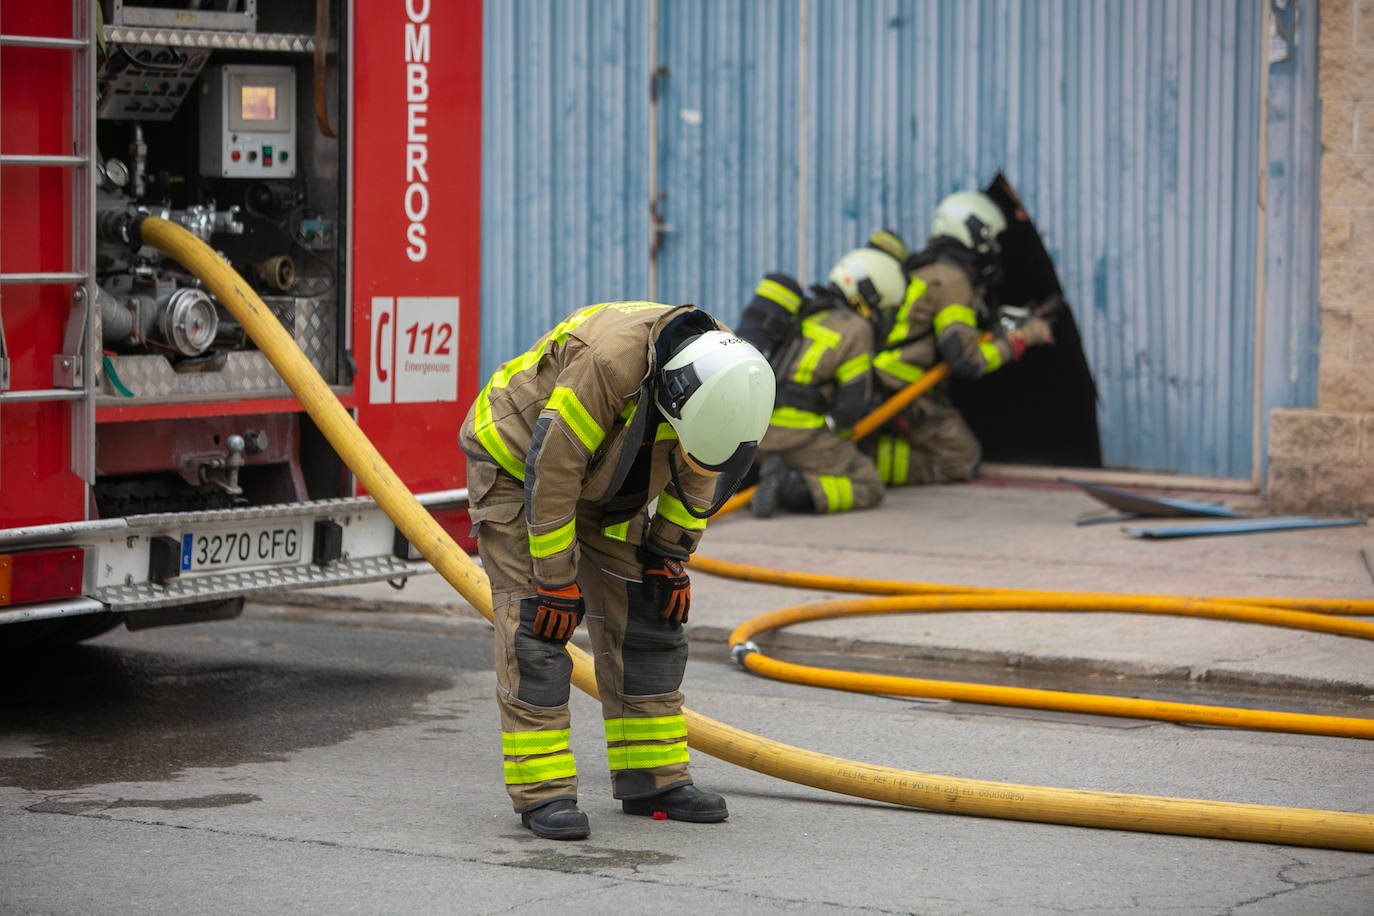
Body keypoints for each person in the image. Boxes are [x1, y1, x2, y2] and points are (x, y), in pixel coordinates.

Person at [459, 301, 775, 840]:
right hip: (519, 465)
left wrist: (669, 554)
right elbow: (552, 471)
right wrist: (556, 581)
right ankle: (545, 793)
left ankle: (653, 779)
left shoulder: (728, 377)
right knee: (537, 626)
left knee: (651, 613)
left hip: (605, 477)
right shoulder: (609, 365)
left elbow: (699, 466)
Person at [861, 191, 1055, 485]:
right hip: (901, 390)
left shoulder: (933, 269)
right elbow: (966, 361)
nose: (994, 248)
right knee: (961, 460)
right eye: (991, 237)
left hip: (891, 381)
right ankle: (854, 462)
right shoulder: (952, 281)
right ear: (975, 231)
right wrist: (1021, 339)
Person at [744, 263, 886, 519]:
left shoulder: (806, 314)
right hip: (800, 436)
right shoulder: (856, 328)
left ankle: (754, 473)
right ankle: (790, 485)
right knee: (869, 484)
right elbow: (851, 405)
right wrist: (836, 433)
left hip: (758, 429)